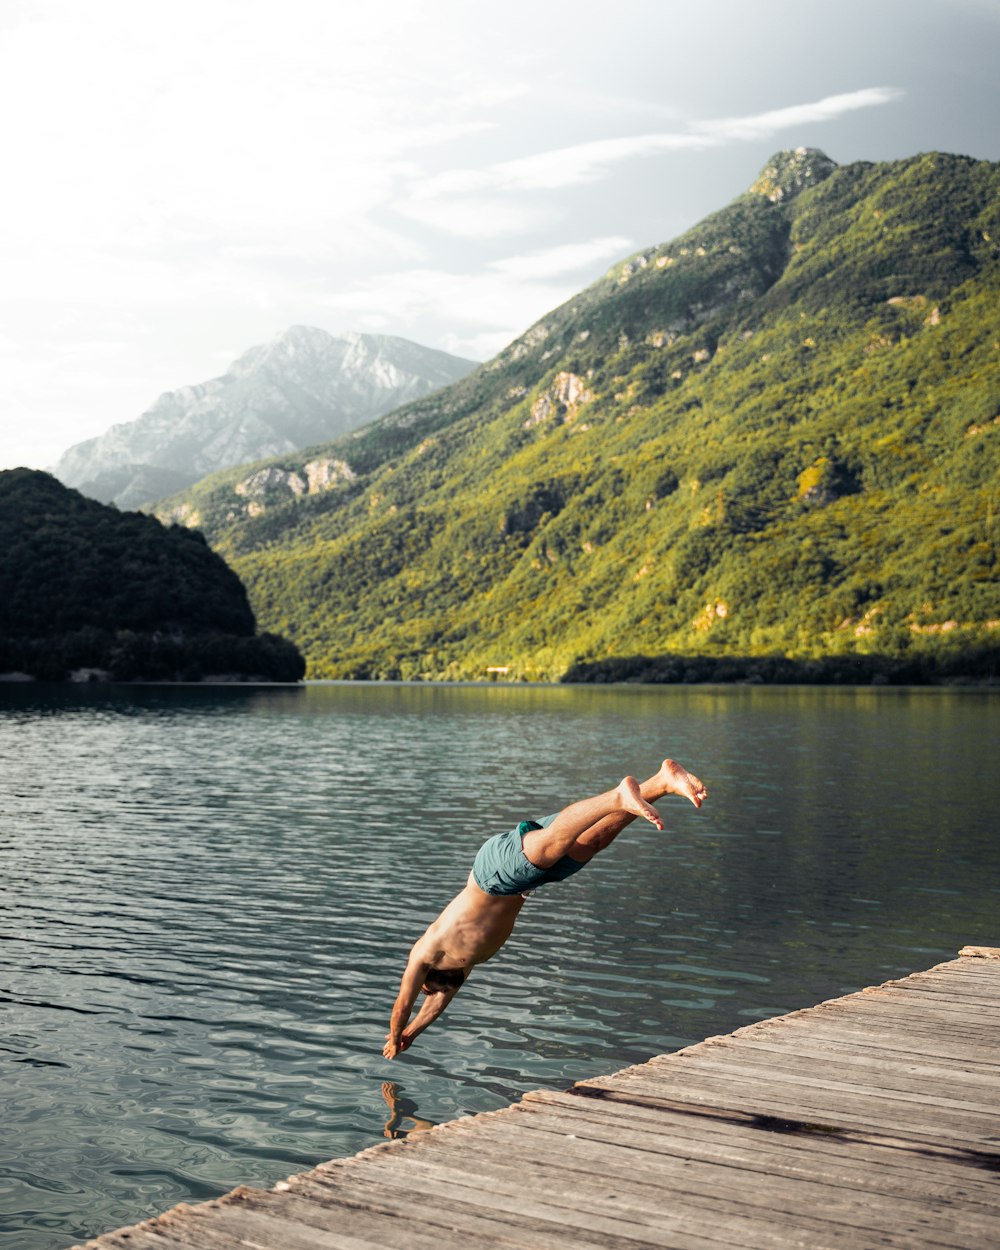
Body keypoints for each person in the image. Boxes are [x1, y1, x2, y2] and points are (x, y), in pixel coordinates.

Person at [383, 758, 708, 1059]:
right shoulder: (462, 969)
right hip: (524, 883)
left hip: (494, 876)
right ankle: (663, 781)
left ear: (430, 975)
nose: (434, 993)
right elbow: (435, 1006)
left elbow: (403, 1005)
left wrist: (396, 1036)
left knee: (555, 841)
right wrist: (412, 1035)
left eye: (429, 988)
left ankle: (618, 796)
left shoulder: (426, 952)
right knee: (593, 840)